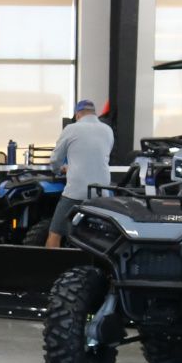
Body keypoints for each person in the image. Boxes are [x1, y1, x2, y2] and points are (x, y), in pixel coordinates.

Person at [45, 98, 115, 249]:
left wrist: (59, 169)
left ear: (78, 114)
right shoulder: (107, 130)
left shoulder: (71, 129)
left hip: (76, 192)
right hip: (102, 193)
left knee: (55, 234)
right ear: (94, 113)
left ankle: (50, 269)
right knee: (101, 237)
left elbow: (55, 159)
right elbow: (102, 155)